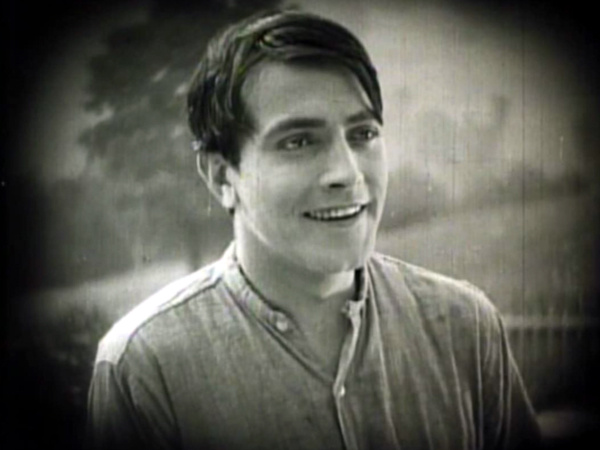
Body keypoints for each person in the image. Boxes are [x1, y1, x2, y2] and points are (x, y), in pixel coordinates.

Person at [86, 9, 541, 450]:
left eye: (363, 135)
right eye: (298, 141)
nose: (347, 173)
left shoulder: (465, 326)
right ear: (222, 176)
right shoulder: (144, 369)